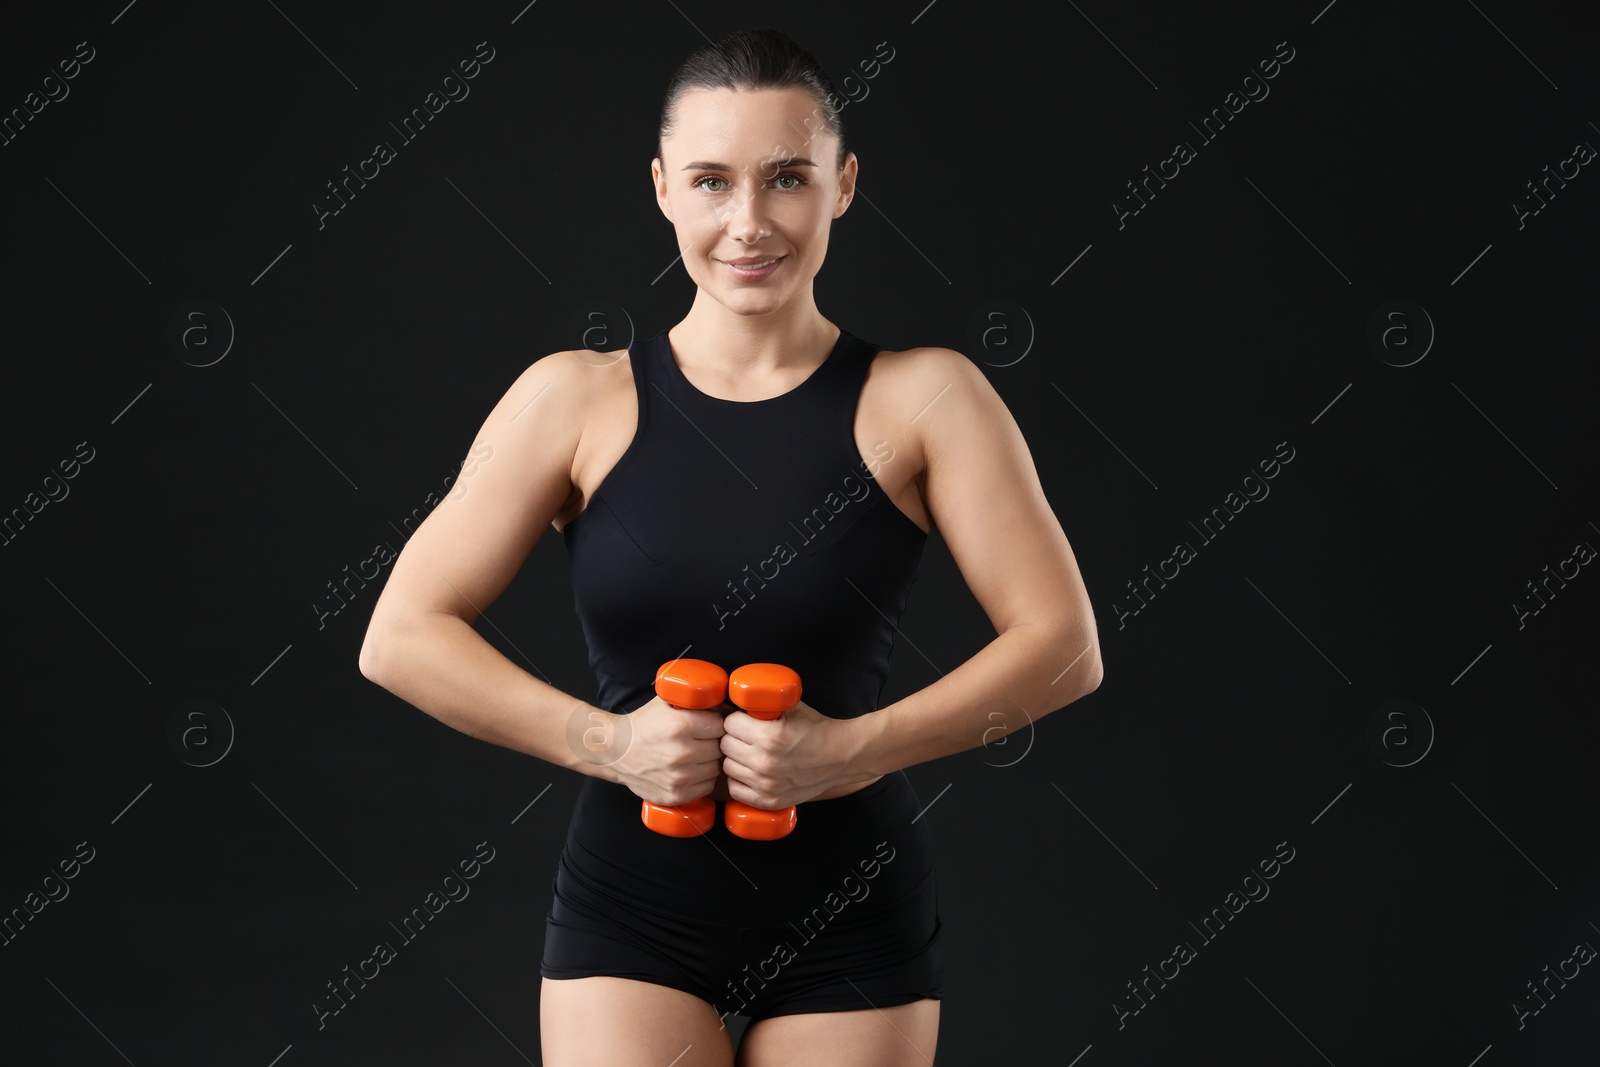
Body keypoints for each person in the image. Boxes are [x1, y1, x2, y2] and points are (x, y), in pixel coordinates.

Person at [358, 26, 1103, 1067]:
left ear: (841, 184)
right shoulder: (574, 399)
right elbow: (398, 634)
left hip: (849, 906)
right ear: (663, 188)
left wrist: (852, 752)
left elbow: (1065, 643)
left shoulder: (928, 398)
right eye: (711, 181)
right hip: (632, 910)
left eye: (785, 178)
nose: (747, 223)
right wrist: (608, 743)